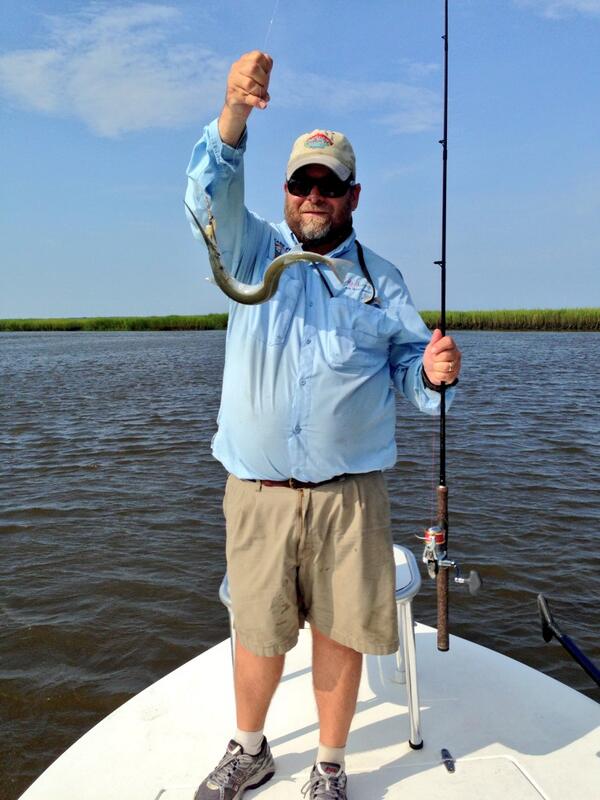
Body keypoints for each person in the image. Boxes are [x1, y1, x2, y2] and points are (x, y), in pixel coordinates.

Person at [185, 50, 461, 800]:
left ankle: (330, 765)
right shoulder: (252, 249)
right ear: (285, 190)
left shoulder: (383, 282)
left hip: (350, 497)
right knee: (257, 629)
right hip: (257, 491)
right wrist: (235, 113)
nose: (314, 194)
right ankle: (250, 749)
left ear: (352, 195)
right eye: (302, 182)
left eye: (328, 184)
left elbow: (410, 374)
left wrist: (435, 376)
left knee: (339, 633)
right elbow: (207, 194)